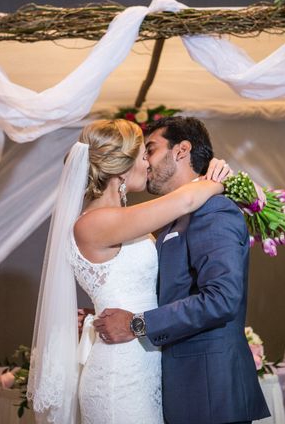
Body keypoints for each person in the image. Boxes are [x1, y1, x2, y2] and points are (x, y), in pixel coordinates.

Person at [27, 118, 231, 424]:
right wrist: (220, 179)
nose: (148, 163)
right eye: (143, 154)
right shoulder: (94, 222)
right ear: (122, 168)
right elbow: (187, 199)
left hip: (143, 360)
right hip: (119, 375)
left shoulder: (122, 219)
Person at [94, 116, 270, 424]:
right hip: (183, 389)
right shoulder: (176, 217)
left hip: (209, 393)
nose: (145, 161)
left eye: (150, 149)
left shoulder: (214, 210)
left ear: (181, 150)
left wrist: (136, 324)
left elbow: (221, 298)